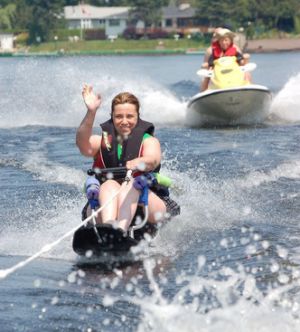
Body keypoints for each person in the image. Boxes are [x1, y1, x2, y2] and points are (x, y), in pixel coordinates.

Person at [76, 84, 180, 234]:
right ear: (112, 117)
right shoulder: (102, 141)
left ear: (138, 116)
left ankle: (120, 231)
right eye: (119, 116)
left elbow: (153, 159)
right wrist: (91, 112)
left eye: (129, 116)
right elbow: (83, 145)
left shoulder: (149, 141)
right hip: (107, 207)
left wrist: (140, 162)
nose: (124, 121)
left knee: (131, 185)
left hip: (147, 205)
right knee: (109, 184)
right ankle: (110, 228)